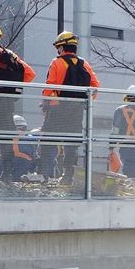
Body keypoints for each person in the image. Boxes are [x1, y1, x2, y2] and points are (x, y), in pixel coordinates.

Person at [38, 31, 100, 184]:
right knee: (72, 143)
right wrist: (85, 102)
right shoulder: (84, 63)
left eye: (58, 47)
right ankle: (68, 175)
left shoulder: (57, 62)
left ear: (62, 47)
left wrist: (46, 103)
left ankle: (44, 174)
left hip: (58, 108)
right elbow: (95, 86)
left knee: (47, 140)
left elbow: (49, 86)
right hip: (77, 109)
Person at [0, 23, 37, 177]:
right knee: (5, 136)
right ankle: (6, 173)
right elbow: (30, 74)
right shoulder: (9, 55)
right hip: (5, 101)